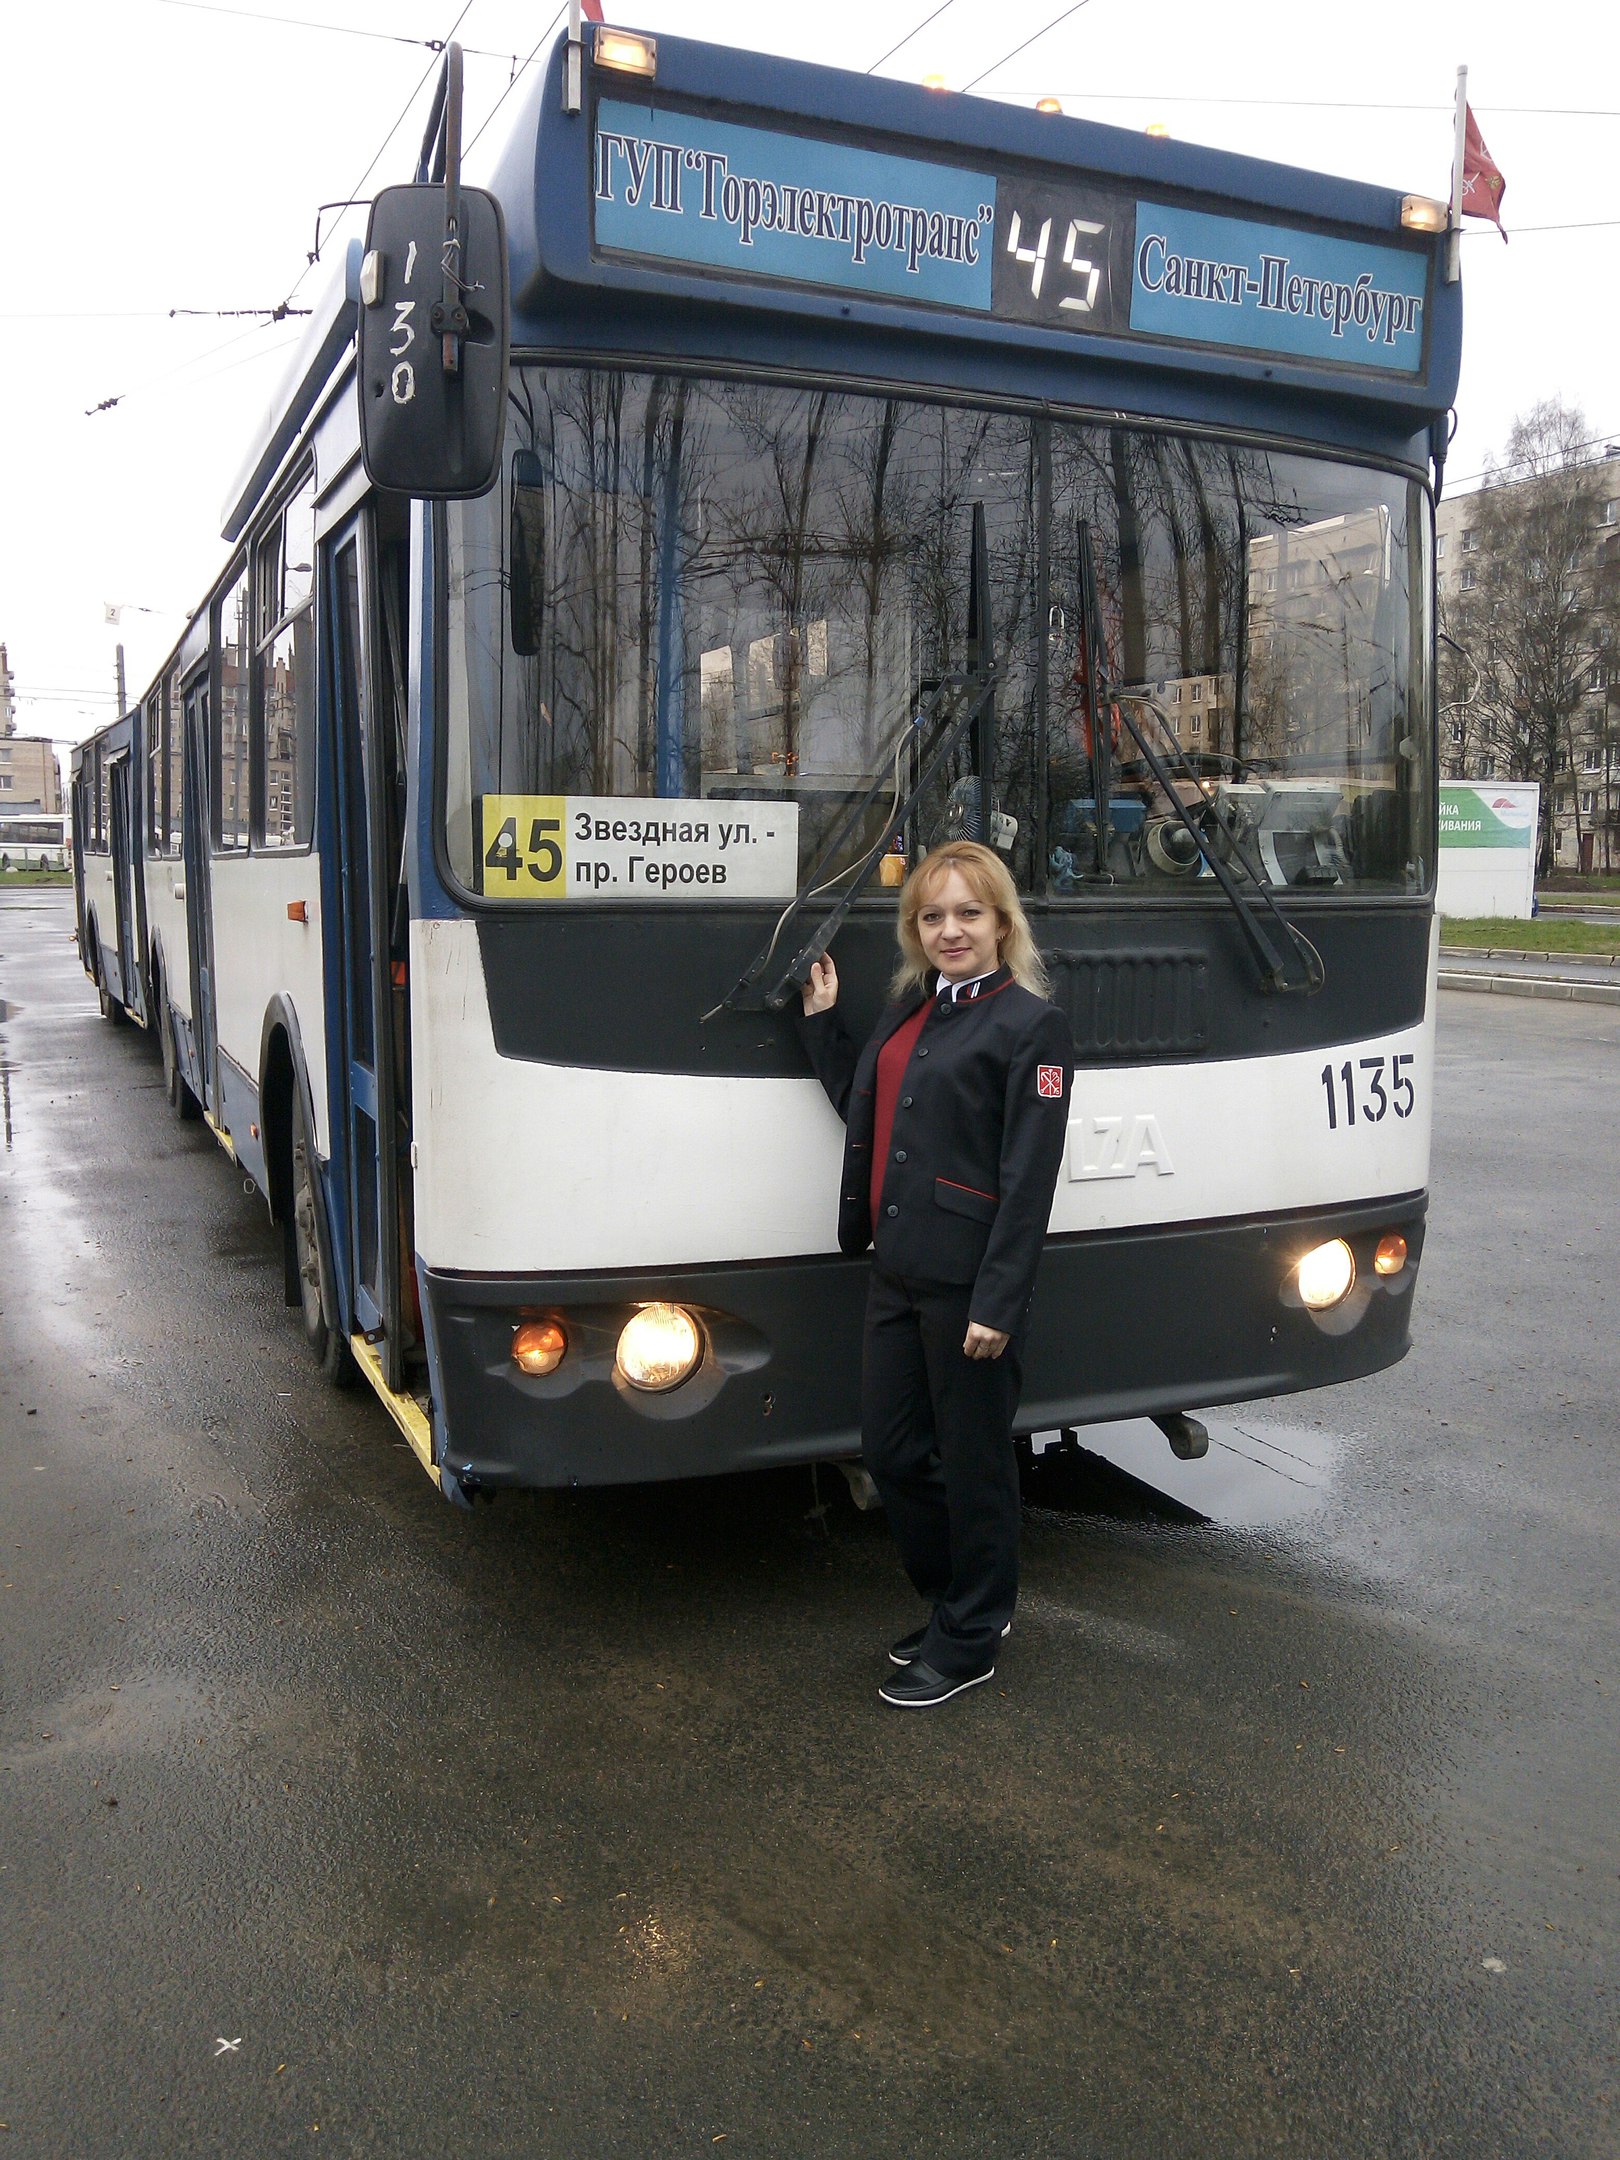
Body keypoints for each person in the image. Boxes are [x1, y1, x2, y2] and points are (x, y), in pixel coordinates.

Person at [797, 841, 1075, 1708]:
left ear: (1001, 924)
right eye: (932, 916)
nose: (950, 930)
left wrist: (999, 1301)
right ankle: (960, 1603)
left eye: (968, 913)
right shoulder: (911, 1009)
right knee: (890, 1450)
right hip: (896, 1271)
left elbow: (1029, 1179)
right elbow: (869, 1112)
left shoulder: (1031, 1025)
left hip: (969, 1287)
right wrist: (822, 1024)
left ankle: (971, 1635)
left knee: (975, 1461)